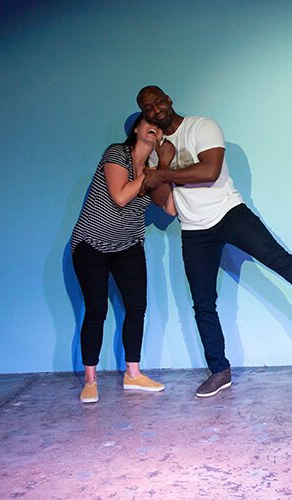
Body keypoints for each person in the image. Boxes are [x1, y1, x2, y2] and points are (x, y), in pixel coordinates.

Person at [136, 85, 292, 398]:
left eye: (158, 101)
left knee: (281, 261)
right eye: (147, 107)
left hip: (230, 213)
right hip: (194, 230)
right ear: (145, 116)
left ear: (169, 100)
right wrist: (161, 166)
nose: (155, 109)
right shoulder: (158, 151)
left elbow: (210, 170)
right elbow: (165, 205)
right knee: (203, 304)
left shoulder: (202, 126)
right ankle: (219, 371)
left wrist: (162, 175)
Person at [71, 112, 177, 403]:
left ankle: (133, 374)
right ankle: (90, 380)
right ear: (137, 128)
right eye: (148, 123)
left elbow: (169, 210)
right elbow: (119, 196)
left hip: (128, 245)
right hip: (91, 243)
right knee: (96, 311)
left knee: (136, 307)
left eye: (159, 126)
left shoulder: (155, 168)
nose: (154, 128)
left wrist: (164, 167)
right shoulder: (117, 153)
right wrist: (154, 172)